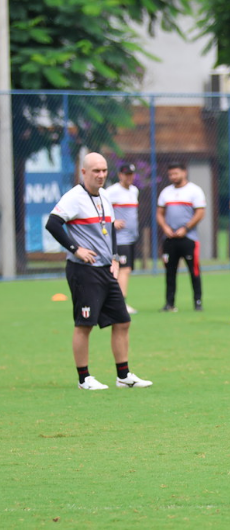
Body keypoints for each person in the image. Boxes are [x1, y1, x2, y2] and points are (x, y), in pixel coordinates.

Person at [45, 152, 152, 390]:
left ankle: (123, 376)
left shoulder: (105, 195)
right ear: (84, 172)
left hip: (105, 269)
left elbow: (111, 229)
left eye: (104, 170)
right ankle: (84, 378)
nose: (101, 175)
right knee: (84, 324)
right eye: (96, 171)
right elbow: (52, 223)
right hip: (83, 271)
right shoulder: (74, 197)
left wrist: (114, 257)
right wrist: (76, 249)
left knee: (123, 321)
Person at [156, 162, 207, 312]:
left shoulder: (194, 191)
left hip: (188, 239)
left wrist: (186, 228)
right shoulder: (166, 192)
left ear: (184, 172)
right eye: (171, 174)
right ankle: (169, 303)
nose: (173, 177)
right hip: (170, 239)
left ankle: (197, 302)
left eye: (176, 173)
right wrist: (165, 227)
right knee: (170, 272)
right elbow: (159, 213)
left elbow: (200, 213)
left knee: (194, 271)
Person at [104, 164, 140, 314]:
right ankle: (120, 303)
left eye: (131, 174)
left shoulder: (134, 191)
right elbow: (100, 209)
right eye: (126, 174)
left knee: (127, 269)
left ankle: (115, 301)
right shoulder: (111, 192)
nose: (129, 177)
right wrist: (112, 222)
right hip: (119, 239)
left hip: (131, 238)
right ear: (120, 175)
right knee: (123, 270)